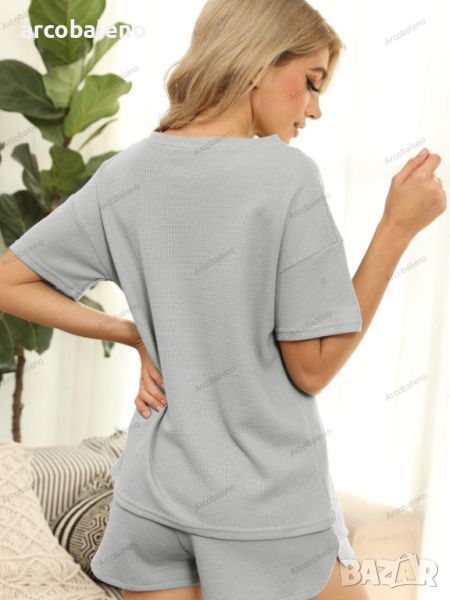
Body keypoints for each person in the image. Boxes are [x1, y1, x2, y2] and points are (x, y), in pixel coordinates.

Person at [0, 0, 446, 598]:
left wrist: (130, 333)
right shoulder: (285, 176)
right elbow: (312, 368)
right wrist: (396, 228)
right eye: (311, 82)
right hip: (263, 505)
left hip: (152, 498)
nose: (315, 108)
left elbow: (8, 280)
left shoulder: (127, 173)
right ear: (259, 63)